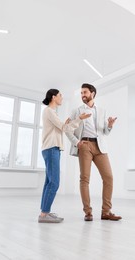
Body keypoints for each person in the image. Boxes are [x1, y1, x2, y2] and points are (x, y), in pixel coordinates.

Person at [66, 83, 122, 221]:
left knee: (108, 177)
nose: (82, 95)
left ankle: (106, 212)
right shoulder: (77, 111)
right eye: (81, 93)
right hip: (84, 145)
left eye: (85, 92)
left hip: (100, 146)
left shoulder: (101, 110)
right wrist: (77, 142)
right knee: (85, 179)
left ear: (93, 93)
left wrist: (109, 126)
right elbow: (67, 129)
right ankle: (88, 212)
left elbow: (105, 132)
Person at [39, 89, 91, 223]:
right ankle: (44, 214)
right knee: (54, 182)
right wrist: (79, 119)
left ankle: (45, 212)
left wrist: (67, 124)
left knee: (49, 182)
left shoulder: (50, 112)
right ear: (53, 97)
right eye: (60, 95)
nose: (62, 97)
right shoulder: (49, 111)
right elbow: (64, 128)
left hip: (49, 148)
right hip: (51, 148)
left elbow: (62, 127)